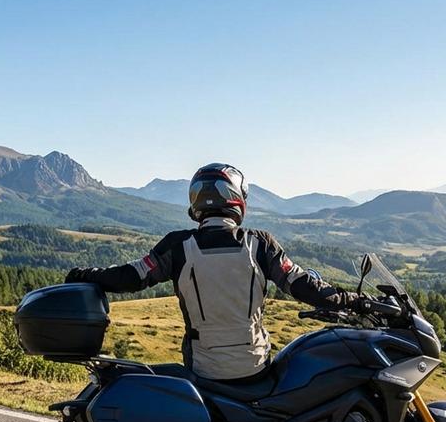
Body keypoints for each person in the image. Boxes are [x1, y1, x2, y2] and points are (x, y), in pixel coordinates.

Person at [65, 162, 368, 381]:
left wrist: (85, 274)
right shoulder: (260, 245)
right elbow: (303, 286)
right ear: (237, 200)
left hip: (203, 369)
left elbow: (130, 277)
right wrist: (352, 299)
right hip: (253, 366)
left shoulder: (178, 246)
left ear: (196, 203)